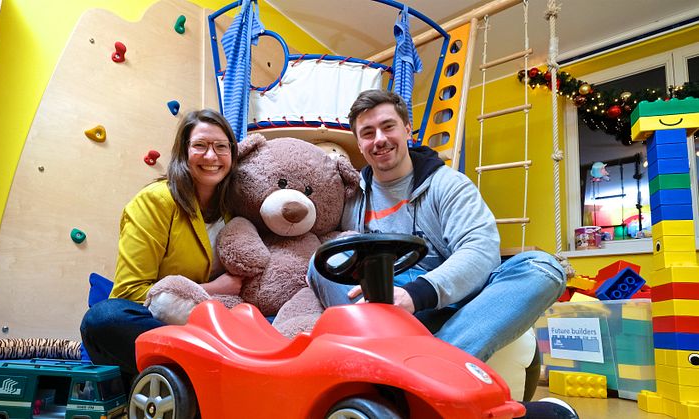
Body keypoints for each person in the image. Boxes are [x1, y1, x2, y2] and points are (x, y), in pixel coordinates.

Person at [308, 90, 577, 418]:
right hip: (384, 319)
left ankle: (417, 377)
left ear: (408, 130)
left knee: (543, 268)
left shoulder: (448, 185)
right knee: (320, 261)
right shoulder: (350, 199)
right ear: (359, 142)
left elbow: (480, 250)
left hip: (450, 305)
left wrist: (415, 294)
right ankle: (418, 384)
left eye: (388, 127)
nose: (379, 139)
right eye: (367, 133)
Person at [80, 109, 243, 388]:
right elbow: (129, 293)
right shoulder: (155, 201)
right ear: (184, 151)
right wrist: (213, 289)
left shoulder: (237, 208)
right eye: (200, 146)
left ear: (232, 152)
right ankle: (215, 372)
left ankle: (210, 372)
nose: (212, 156)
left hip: (217, 328)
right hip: (165, 327)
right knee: (103, 318)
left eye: (221, 147)